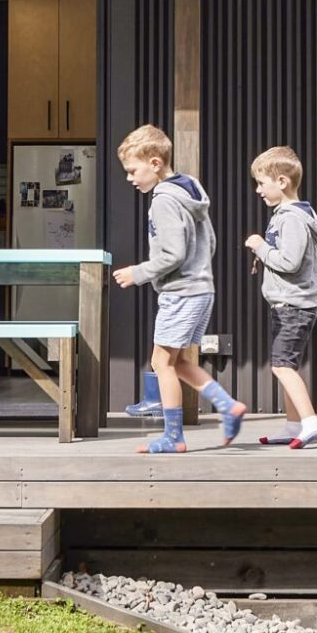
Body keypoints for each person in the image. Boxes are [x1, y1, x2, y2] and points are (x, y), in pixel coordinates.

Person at [112, 123, 244, 454]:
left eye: (132, 171)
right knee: (181, 362)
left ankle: (174, 436)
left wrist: (138, 272)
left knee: (161, 363)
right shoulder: (190, 190)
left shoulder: (164, 201)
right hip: (201, 289)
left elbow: (173, 253)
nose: (129, 178)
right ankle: (227, 406)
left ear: (155, 163)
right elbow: (209, 241)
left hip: (181, 293)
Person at [245, 146, 317, 448]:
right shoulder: (292, 215)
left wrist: (260, 247)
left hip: (293, 306)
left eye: (261, 183)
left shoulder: (291, 218)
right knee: (284, 365)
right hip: (288, 305)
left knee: (282, 366)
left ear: (281, 181)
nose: (258, 190)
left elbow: (290, 262)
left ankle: (310, 423)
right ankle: (294, 425)